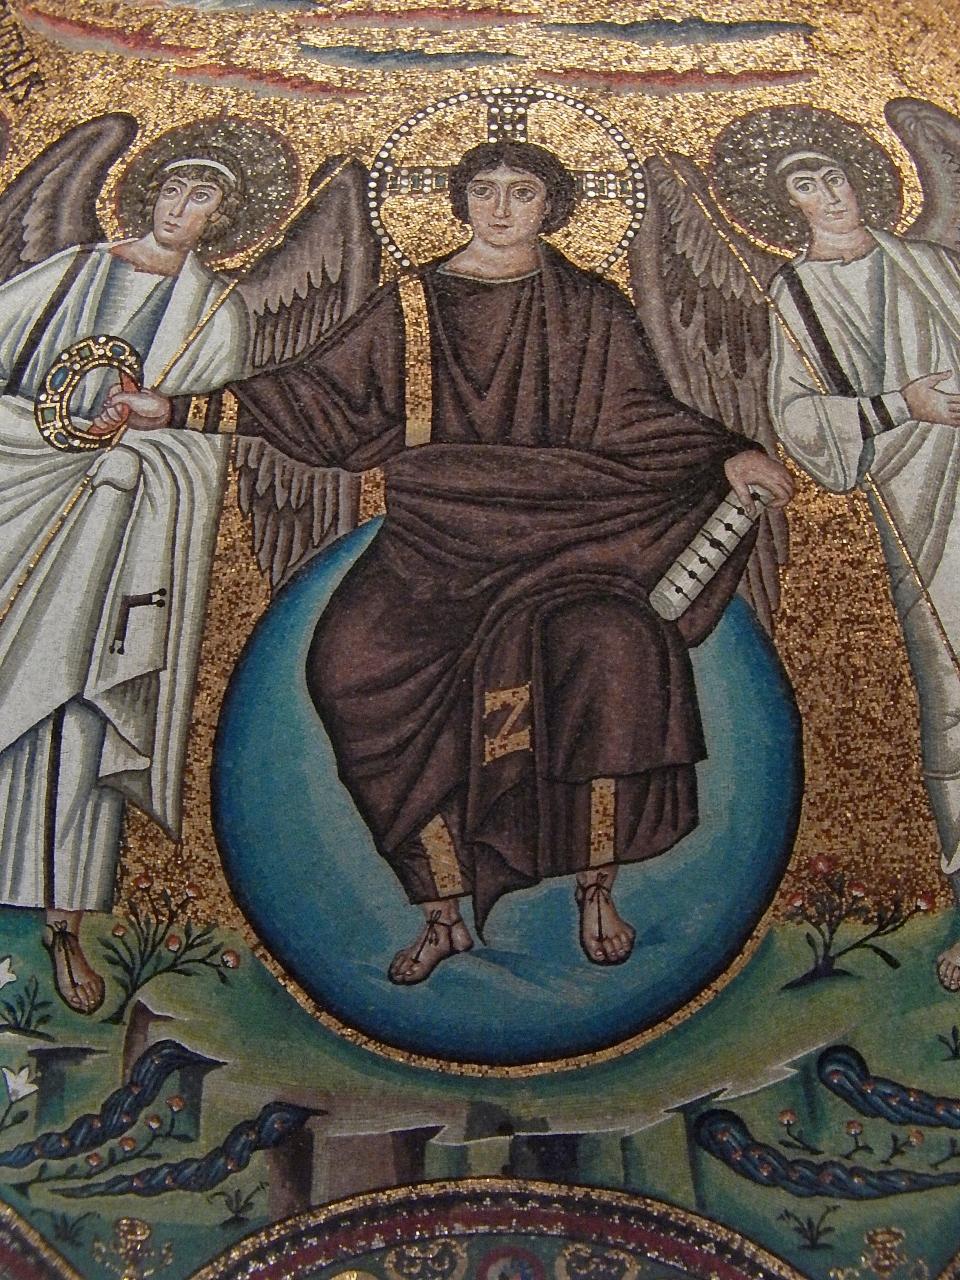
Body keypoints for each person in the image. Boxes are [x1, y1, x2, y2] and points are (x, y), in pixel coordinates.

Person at [117, 140, 792, 986]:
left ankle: (595, 887)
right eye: (484, 189)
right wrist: (180, 410)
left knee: (610, 651)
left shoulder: (590, 306)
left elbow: (639, 416)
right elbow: (319, 397)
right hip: (434, 541)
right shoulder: (411, 304)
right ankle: (441, 911)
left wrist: (727, 453)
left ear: (552, 206)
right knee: (351, 668)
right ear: (459, 199)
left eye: (522, 191)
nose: (500, 208)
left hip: (571, 541)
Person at [0, 149, 248, 1013]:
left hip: (119, 530)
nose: (182, 205)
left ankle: (64, 921)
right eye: (174, 186)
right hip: (19, 503)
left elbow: (209, 448)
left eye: (203, 195)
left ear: (224, 217)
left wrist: (147, 438)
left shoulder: (215, 311)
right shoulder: (72, 272)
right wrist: (38, 433)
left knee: (83, 709)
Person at [764, 147, 960, 990]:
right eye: (803, 185)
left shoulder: (933, 266)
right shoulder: (795, 294)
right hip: (912, 501)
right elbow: (799, 419)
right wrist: (901, 404)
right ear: (785, 206)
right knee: (951, 702)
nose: (828, 194)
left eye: (833, 176)